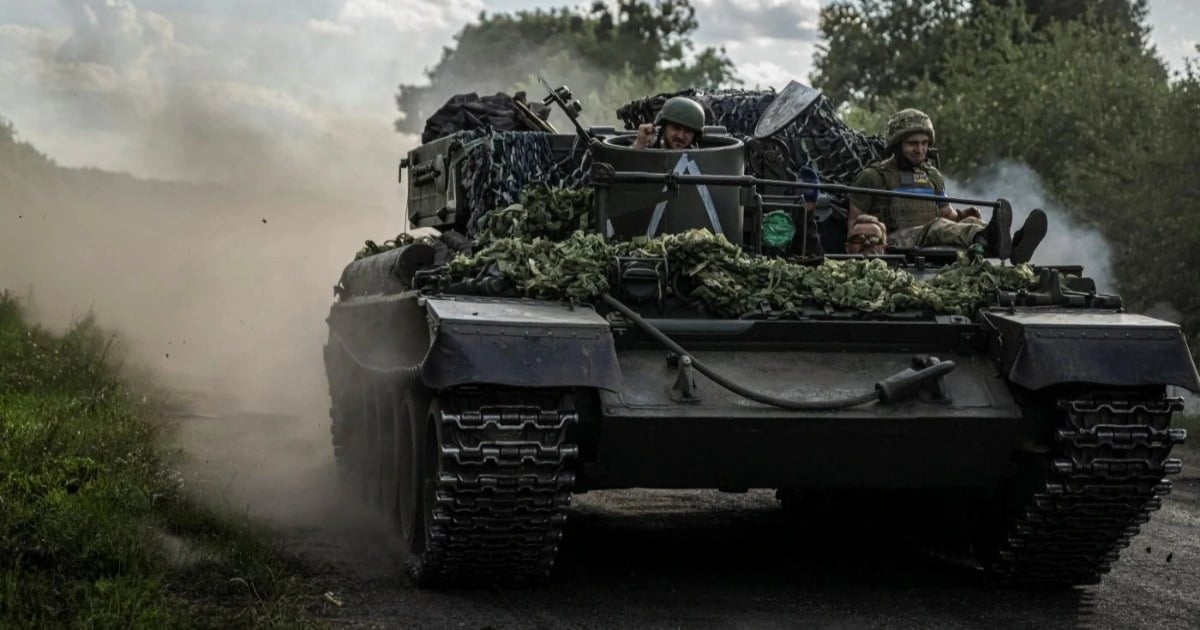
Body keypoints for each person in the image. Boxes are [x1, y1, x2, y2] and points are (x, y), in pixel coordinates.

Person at [848, 108, 1047, 263]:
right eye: (913, 144)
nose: (920, 150)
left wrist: (963, 216)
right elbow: (853, 226)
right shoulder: (872, 177)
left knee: (971, 224)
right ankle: (988, 236)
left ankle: (1013, 245)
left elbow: (948, 216)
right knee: (937, 227)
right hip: (891, 242)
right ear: (896, 144)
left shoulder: (932, 176)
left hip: (928, 236)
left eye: (924, 143)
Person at [633, 96, 705, 150]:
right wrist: (640, 143)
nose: (680, 136)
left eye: (688, 131)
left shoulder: (701, 159)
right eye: (676, 128)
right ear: (664, 128)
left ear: (694, 136)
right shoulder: (650, 150)